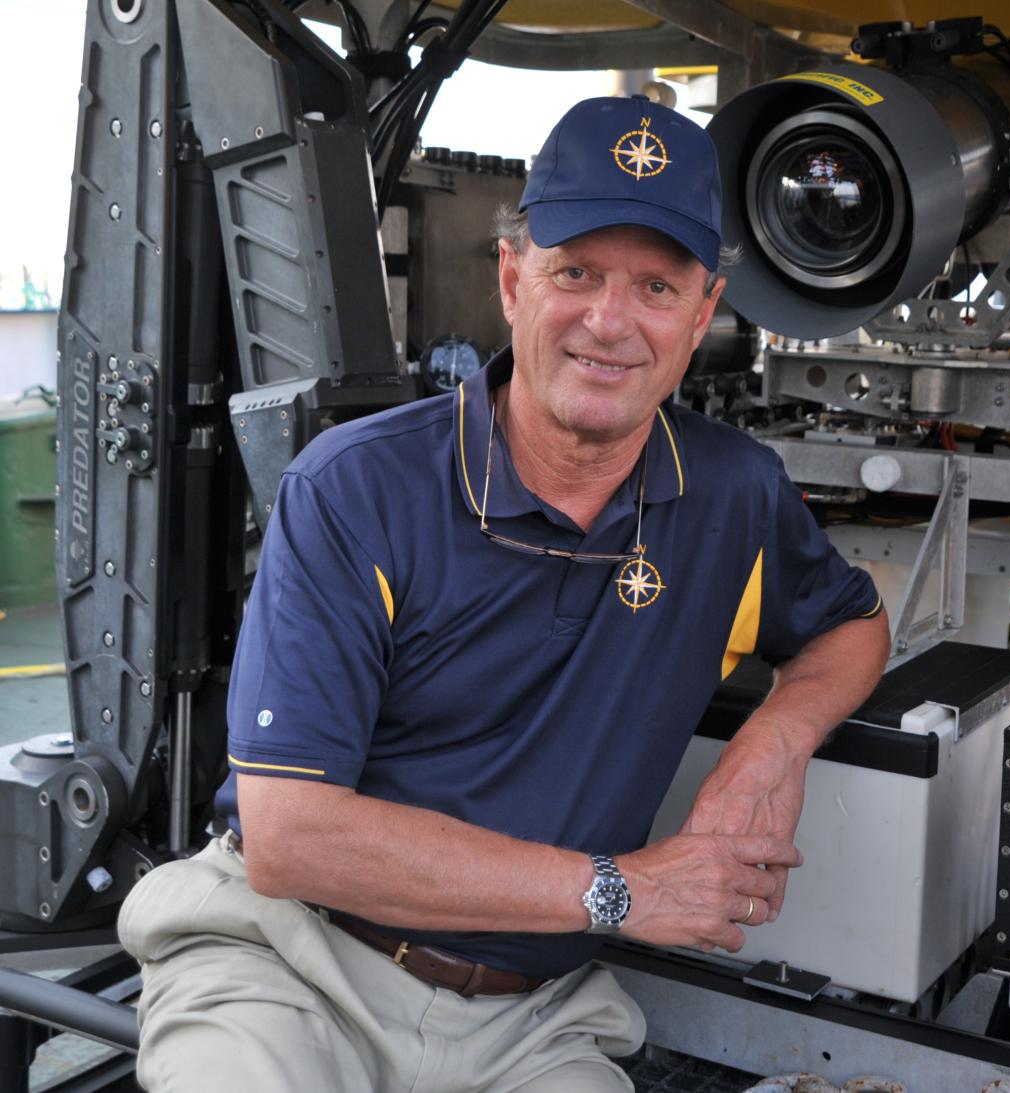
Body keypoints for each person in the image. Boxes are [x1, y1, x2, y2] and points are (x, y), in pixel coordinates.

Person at [119, 95, 891, 1092]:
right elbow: (289, 836)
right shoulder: (357, 486)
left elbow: (849, 627)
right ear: (513, 278)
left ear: (702, 317)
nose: (609, 323)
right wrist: (620, 889)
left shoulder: (733, 490)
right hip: (289, 962)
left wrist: (770, 748)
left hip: (535, 1016)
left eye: (656, 287)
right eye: (576, 272)